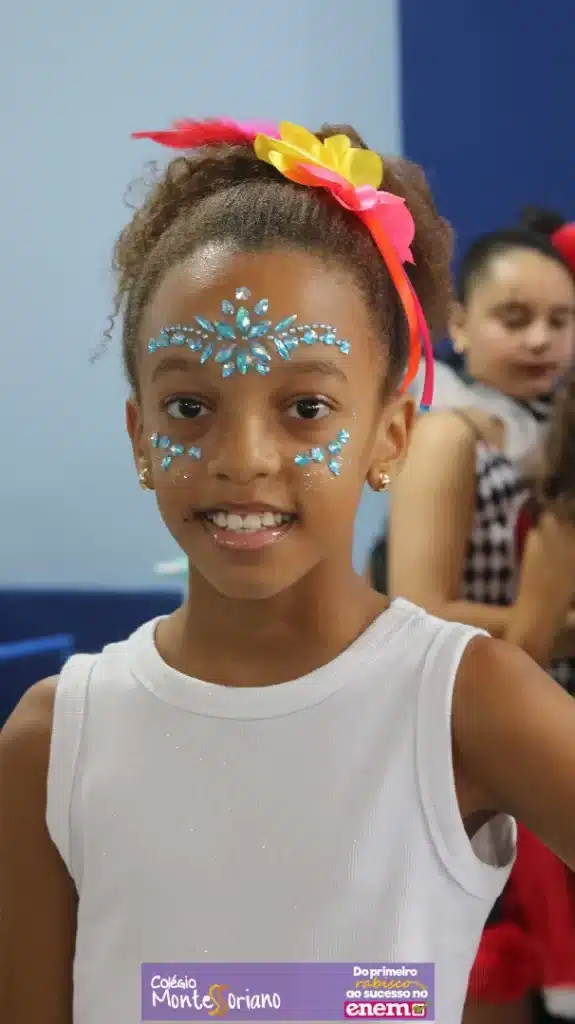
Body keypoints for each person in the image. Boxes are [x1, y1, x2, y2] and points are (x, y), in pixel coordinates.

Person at [3, 117, 575, 1024]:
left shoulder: (461, 702)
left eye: (306, 408)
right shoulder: (54, 741)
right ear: (140, 436)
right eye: (188, 407)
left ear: (390, 436)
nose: (243, 457)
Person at [386, 213, 575, 1024]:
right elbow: (417, 609)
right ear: (458, 324)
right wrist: (542, 623)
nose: (539, 339)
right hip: (467, 726)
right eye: (513, 317)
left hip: (542, 703)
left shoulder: (546, 430)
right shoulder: (447, 434)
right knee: (485, 962)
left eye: (560, 321)